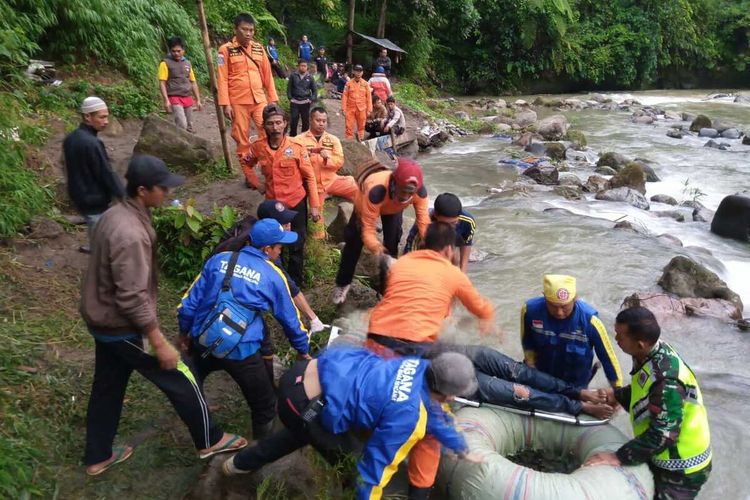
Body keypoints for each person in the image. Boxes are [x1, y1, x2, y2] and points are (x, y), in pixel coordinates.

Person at [80, 155, 246, 476]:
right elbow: (131, 295)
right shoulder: (130, 234)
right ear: (143, 190)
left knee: (108, 387)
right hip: (120, 325)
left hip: (101, 319)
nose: (167, 193)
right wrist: (157, 340)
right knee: (179, 376)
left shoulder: (115, 214)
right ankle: (210, 439)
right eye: (162, 188)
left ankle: (98, 455)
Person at [222, 346, 483, 500]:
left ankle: (237, 464)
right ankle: (345, 490)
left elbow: (433, 411)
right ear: (448, 394)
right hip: (302, 404)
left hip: (303, 373)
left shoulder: (419, 365)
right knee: (354, 459)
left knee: (303, 433)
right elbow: (375, 471)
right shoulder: (407, 417)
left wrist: (459, 446)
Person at [364, 221, 496, 498]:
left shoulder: (403, 262)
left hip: (374, 343)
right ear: (449, 249)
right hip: (409, 352)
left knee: (386, 403)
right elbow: (479, 305)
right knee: (431, 423)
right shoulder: (452, 273)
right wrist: (488, 320)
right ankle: (419, 492)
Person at [177, 219, 312, 439]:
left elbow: (188, 304)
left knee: (191, 382)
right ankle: (258, 452)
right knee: (265, 406)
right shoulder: (272, 275)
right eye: (279, 247)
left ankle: (204, 428)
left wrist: (184, 334)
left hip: (202, 338)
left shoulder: (219, 260)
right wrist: (302, 349)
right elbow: (291, 320)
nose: (280, 251)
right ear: (267, 249)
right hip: (242, 350)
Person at [585, 307, 712, 500]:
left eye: (620, 336)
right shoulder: (653, 354)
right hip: (662, 456)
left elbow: (663, 434)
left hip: (682, 468)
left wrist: (618, 457)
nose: (616, 339)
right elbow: (645, 392)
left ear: (640, 344)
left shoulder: (666, 380)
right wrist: (617, 395)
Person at [332, 158, 430, 304]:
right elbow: (368, 231)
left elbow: (423, 222)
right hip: (366, 205)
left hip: (394, 208)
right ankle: (342, 283)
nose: (405, 196)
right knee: (353, 243)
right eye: (403, 191)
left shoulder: (420, 193)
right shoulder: (375, 190)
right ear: (394, 183)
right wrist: (379, 252)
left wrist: (433, 248)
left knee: (392, 243)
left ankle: (386, 291)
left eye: (410, 193)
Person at [243, 103, 321, 285]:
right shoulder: (258, 147)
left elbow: (310, 177)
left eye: (279, 122)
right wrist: (256, 183)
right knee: (273, 244)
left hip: (296, 203)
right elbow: (246, 163)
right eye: (270, 123)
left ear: (285, 123)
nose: (275, 127)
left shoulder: (296, 147)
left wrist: (315, 206)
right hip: (273, 206)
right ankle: (278, 280)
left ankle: (295, 284)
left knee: (297, 244)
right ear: (264, 126)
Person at [435, 345, 614, 419]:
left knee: (520, 372)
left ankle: (578, 392)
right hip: (449, 376)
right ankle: (578, 406)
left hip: (455, 352)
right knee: (517, 392)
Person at [521, 274, 623, 389]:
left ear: (575, 299)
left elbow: (607, 357)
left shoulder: (590, 321)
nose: (559, 312)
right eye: (553, 306)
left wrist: (617, 390)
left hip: (575, 383)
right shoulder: (530, 311)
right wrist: (530, 362)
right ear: (545, 298)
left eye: (564, 307)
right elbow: (527, 340)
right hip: (542, 377)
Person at [62, 96, 125, 253]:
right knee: (100, 229)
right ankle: (99, 257)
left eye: (107, 116)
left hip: (78, 192)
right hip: (94, 197)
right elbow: (105, 172)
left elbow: (64, 166)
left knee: (93, 223)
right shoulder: (93, 143)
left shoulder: (70, 139)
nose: (106, 121)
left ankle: (93, 246)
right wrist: (122, 195)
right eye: (102, 117)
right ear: (87, 117)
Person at [217, 13, 279, 171]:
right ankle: (249, 174)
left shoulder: (259, 48)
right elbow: (222, 78)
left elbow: (267, 75)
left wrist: (272, 99)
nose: (249, 33)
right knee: (242, 139)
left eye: (251, 30)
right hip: (238, 102)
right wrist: (225, 104)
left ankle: (269, 168)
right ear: (235, 29)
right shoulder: (224, 51)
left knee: (268, 132)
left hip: (260, 100)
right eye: (245, 29)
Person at [292, 107, 358, 238]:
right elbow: (294, 164)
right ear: (310, 120)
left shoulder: (333, 140)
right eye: (318, 120)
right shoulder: (299, 140)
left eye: (324, 121)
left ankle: (365, 220)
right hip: (313, 187)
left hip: (332, 180)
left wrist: (327, 158)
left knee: (360, 190)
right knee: (317, 227)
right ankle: (320, 242)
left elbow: (339, 161)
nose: (321, 123)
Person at [404, 193, 476, 273]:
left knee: (454, 264)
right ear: (436, 215)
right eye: (445, 224)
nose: (449, 227)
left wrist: (463, 272)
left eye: (453, 223)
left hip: (453, 240)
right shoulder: (424, 223)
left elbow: (466, 243)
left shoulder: (467, 221)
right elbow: (411, 248)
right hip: (428, 246)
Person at [158, 36, 202, 132]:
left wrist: (198, 100)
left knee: (190, 125)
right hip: (174, 97)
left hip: (187, 96)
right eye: (173, 51)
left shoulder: (187, 63)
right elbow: (162, 83)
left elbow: (193, 82)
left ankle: (190, 145)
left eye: (179, 51)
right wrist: (166, 101)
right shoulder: (165, 63)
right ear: (170, 51)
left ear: (183, 50)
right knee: (182, 124)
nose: (176, 53)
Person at [341, 64, 373, 141]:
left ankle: (360, 140)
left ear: (362, 73)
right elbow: (344, 96)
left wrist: (369, 110)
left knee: (361, 126)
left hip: (362, 109)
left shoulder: (365, 84)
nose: (358, 73)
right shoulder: (348, 83)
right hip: (350, 108)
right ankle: (349, 142)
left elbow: (369, 97)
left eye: (360, 71)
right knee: (349, 126)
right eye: (357, 71)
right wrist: (343, 108)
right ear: (353, 72)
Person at [287, 59, 317, 136]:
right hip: (295, 102)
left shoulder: (310, 77)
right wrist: (290, 98)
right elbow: (289, 88)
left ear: (307, 67)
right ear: (298, 66)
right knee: (294, 120)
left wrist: (311, 99)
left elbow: (314, 91)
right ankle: (293, 137)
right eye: (301, 66)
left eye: (305, 66)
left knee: (305, 121)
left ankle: (304, 137)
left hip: (305, 102)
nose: (303, 67)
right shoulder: (293, 76)